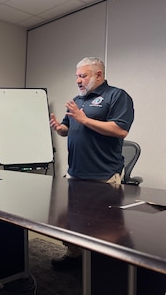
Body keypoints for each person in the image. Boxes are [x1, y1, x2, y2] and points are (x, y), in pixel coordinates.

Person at [49, 57, 134, 270]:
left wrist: (84, 119)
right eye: (77, 76)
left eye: (83, 75)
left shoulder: (117, 96)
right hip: (76, 172)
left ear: (98, 74)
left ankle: (100, 267)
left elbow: (120, 129)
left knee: (101, 226)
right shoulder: (78, 100)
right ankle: (73, 255)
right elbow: (69, 128)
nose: (78, 80)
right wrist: (60, 128)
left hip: (104, 174)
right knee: (73, 222)